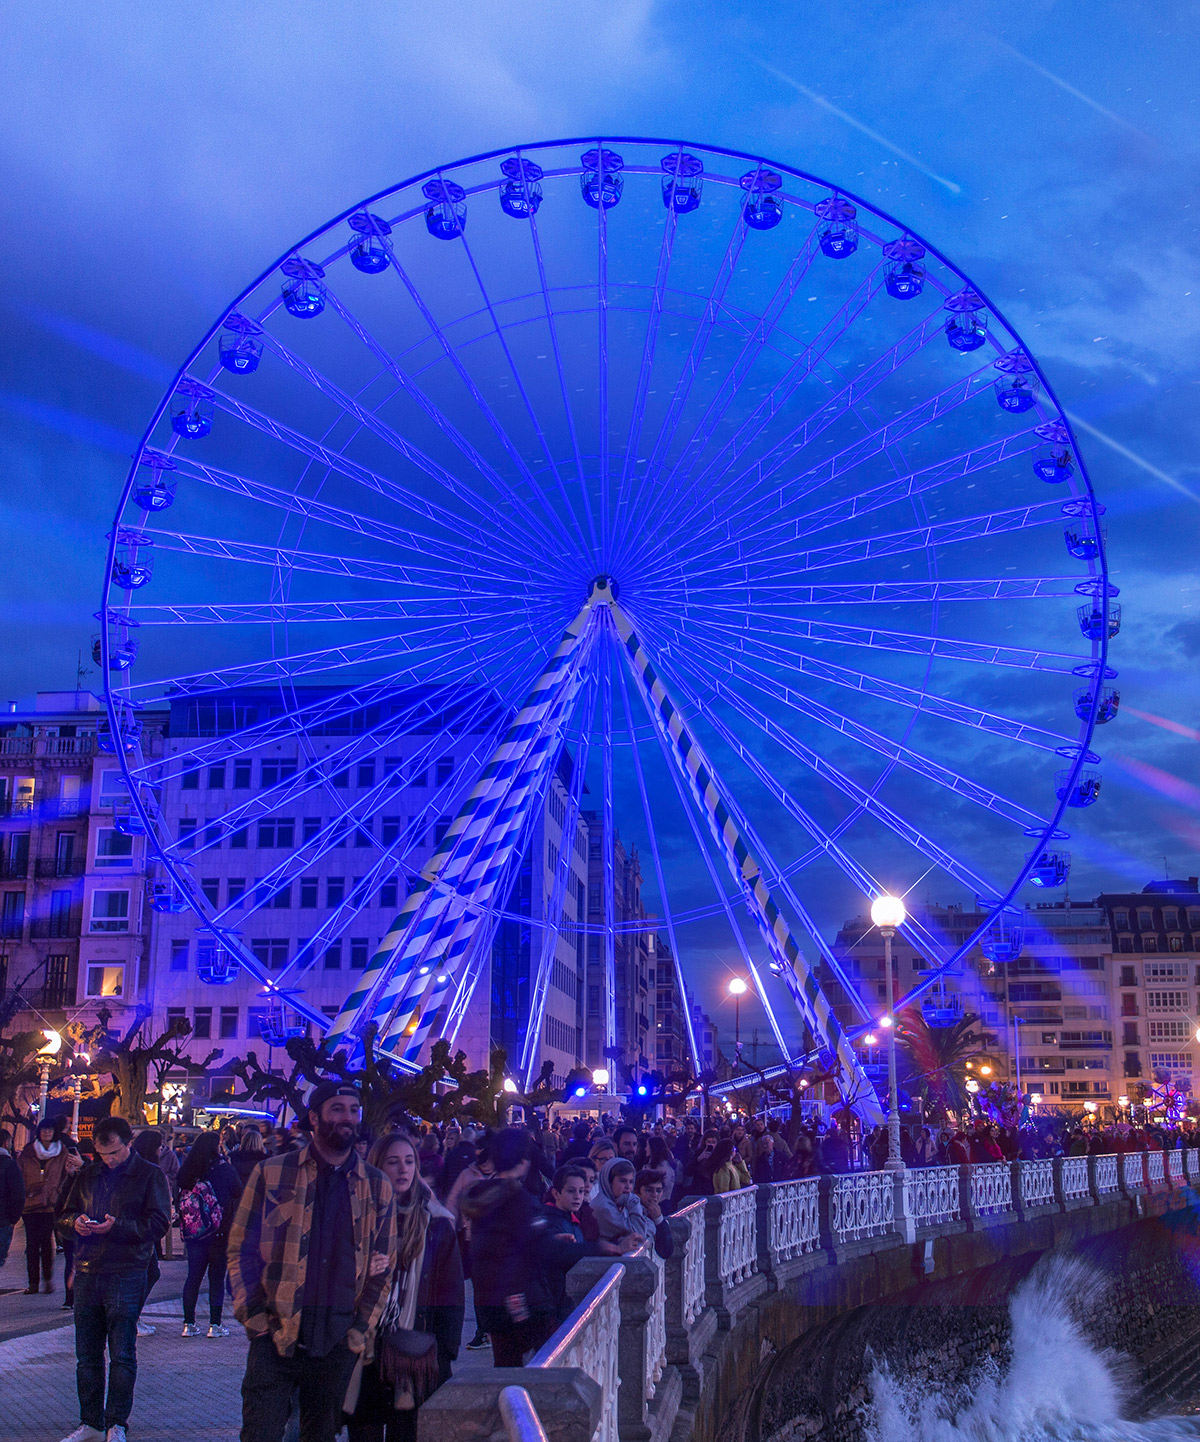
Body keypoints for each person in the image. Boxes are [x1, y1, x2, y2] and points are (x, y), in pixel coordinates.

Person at [227, 1081, 396, 1442]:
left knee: (319, 1435)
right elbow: (241, 1246)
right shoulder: (272, 1173)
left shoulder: (376, 1185)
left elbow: (384, 1267)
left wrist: (359, 1330)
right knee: (260, 1432)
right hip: (276, 1331)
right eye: (337, 1109)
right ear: (314, 1117)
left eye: (353, 1110)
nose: (347, 1118)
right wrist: (254, 1317)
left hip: (336, 1339)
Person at [56, 1115, 171, 1442]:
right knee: (87, 1355)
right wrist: (74, 1223)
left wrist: (116, 1227)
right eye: (102, 1154)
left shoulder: (149, 1175)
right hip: (89, 1272)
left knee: (122, 1354)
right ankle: (90, 1423)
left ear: (129, 1143)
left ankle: (116, 1423)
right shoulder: (89, 1174)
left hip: (127, 1272)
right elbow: (62, 1215)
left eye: (115, 1153)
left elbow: (159, 1223)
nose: (108, 1160)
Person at [345, 1132, 464, 1442]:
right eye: (394, 1162)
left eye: (410, 1162)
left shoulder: (436, 1223)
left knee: (406, 1432)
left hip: (414, 1349)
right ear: (376, 1166)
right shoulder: (356, 1217)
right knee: (364, 1431)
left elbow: (450, 1293)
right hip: (364, 1344)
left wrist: (445, 1354)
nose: (403, 1170)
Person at [462, 1127, 578, 1366]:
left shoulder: (483, 1194)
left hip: (489, 1299)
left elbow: (502, 1240)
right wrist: (601, 1248)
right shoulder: (520, 1199)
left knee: (506, 1365)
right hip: (521, 1298)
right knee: (554, 1353)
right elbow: (539, 1248)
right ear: (524, 1160)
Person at [178, 1130, 241, 1338]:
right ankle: (215, 1325)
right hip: (219, 1231)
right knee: (216, 1278)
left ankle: (188, 1324)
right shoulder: (224, 1169)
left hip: (196, 1233)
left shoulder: (190, 1168)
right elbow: (238, 1191)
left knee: (193, 1277)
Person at [19, 1116, 74, 1294]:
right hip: (29, 1204)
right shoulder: (28, 1151)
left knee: (46, 1243)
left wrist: (58, 1192)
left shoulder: (62, 1151)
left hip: (51, 1204)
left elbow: (67, 1175)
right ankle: (33, 1282)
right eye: (44, 1130)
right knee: (32, 1245)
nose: (47, 1133)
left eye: (50, 1130)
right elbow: (20, 1176)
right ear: (39, 1132)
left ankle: (48, 1279)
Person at [633, 1171, 675, 1259]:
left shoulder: (657, 1211)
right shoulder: (633, 1211)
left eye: (659, 1191)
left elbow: (666, 1251)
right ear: (637, 1192)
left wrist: (659, 1219)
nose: (655, 1195)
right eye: (649, 1190)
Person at [0, 1126, 25, 1268]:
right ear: (6, 1143)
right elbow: (18, 1194)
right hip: (3, 1220)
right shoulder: (10, 1165)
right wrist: (14, 1218)